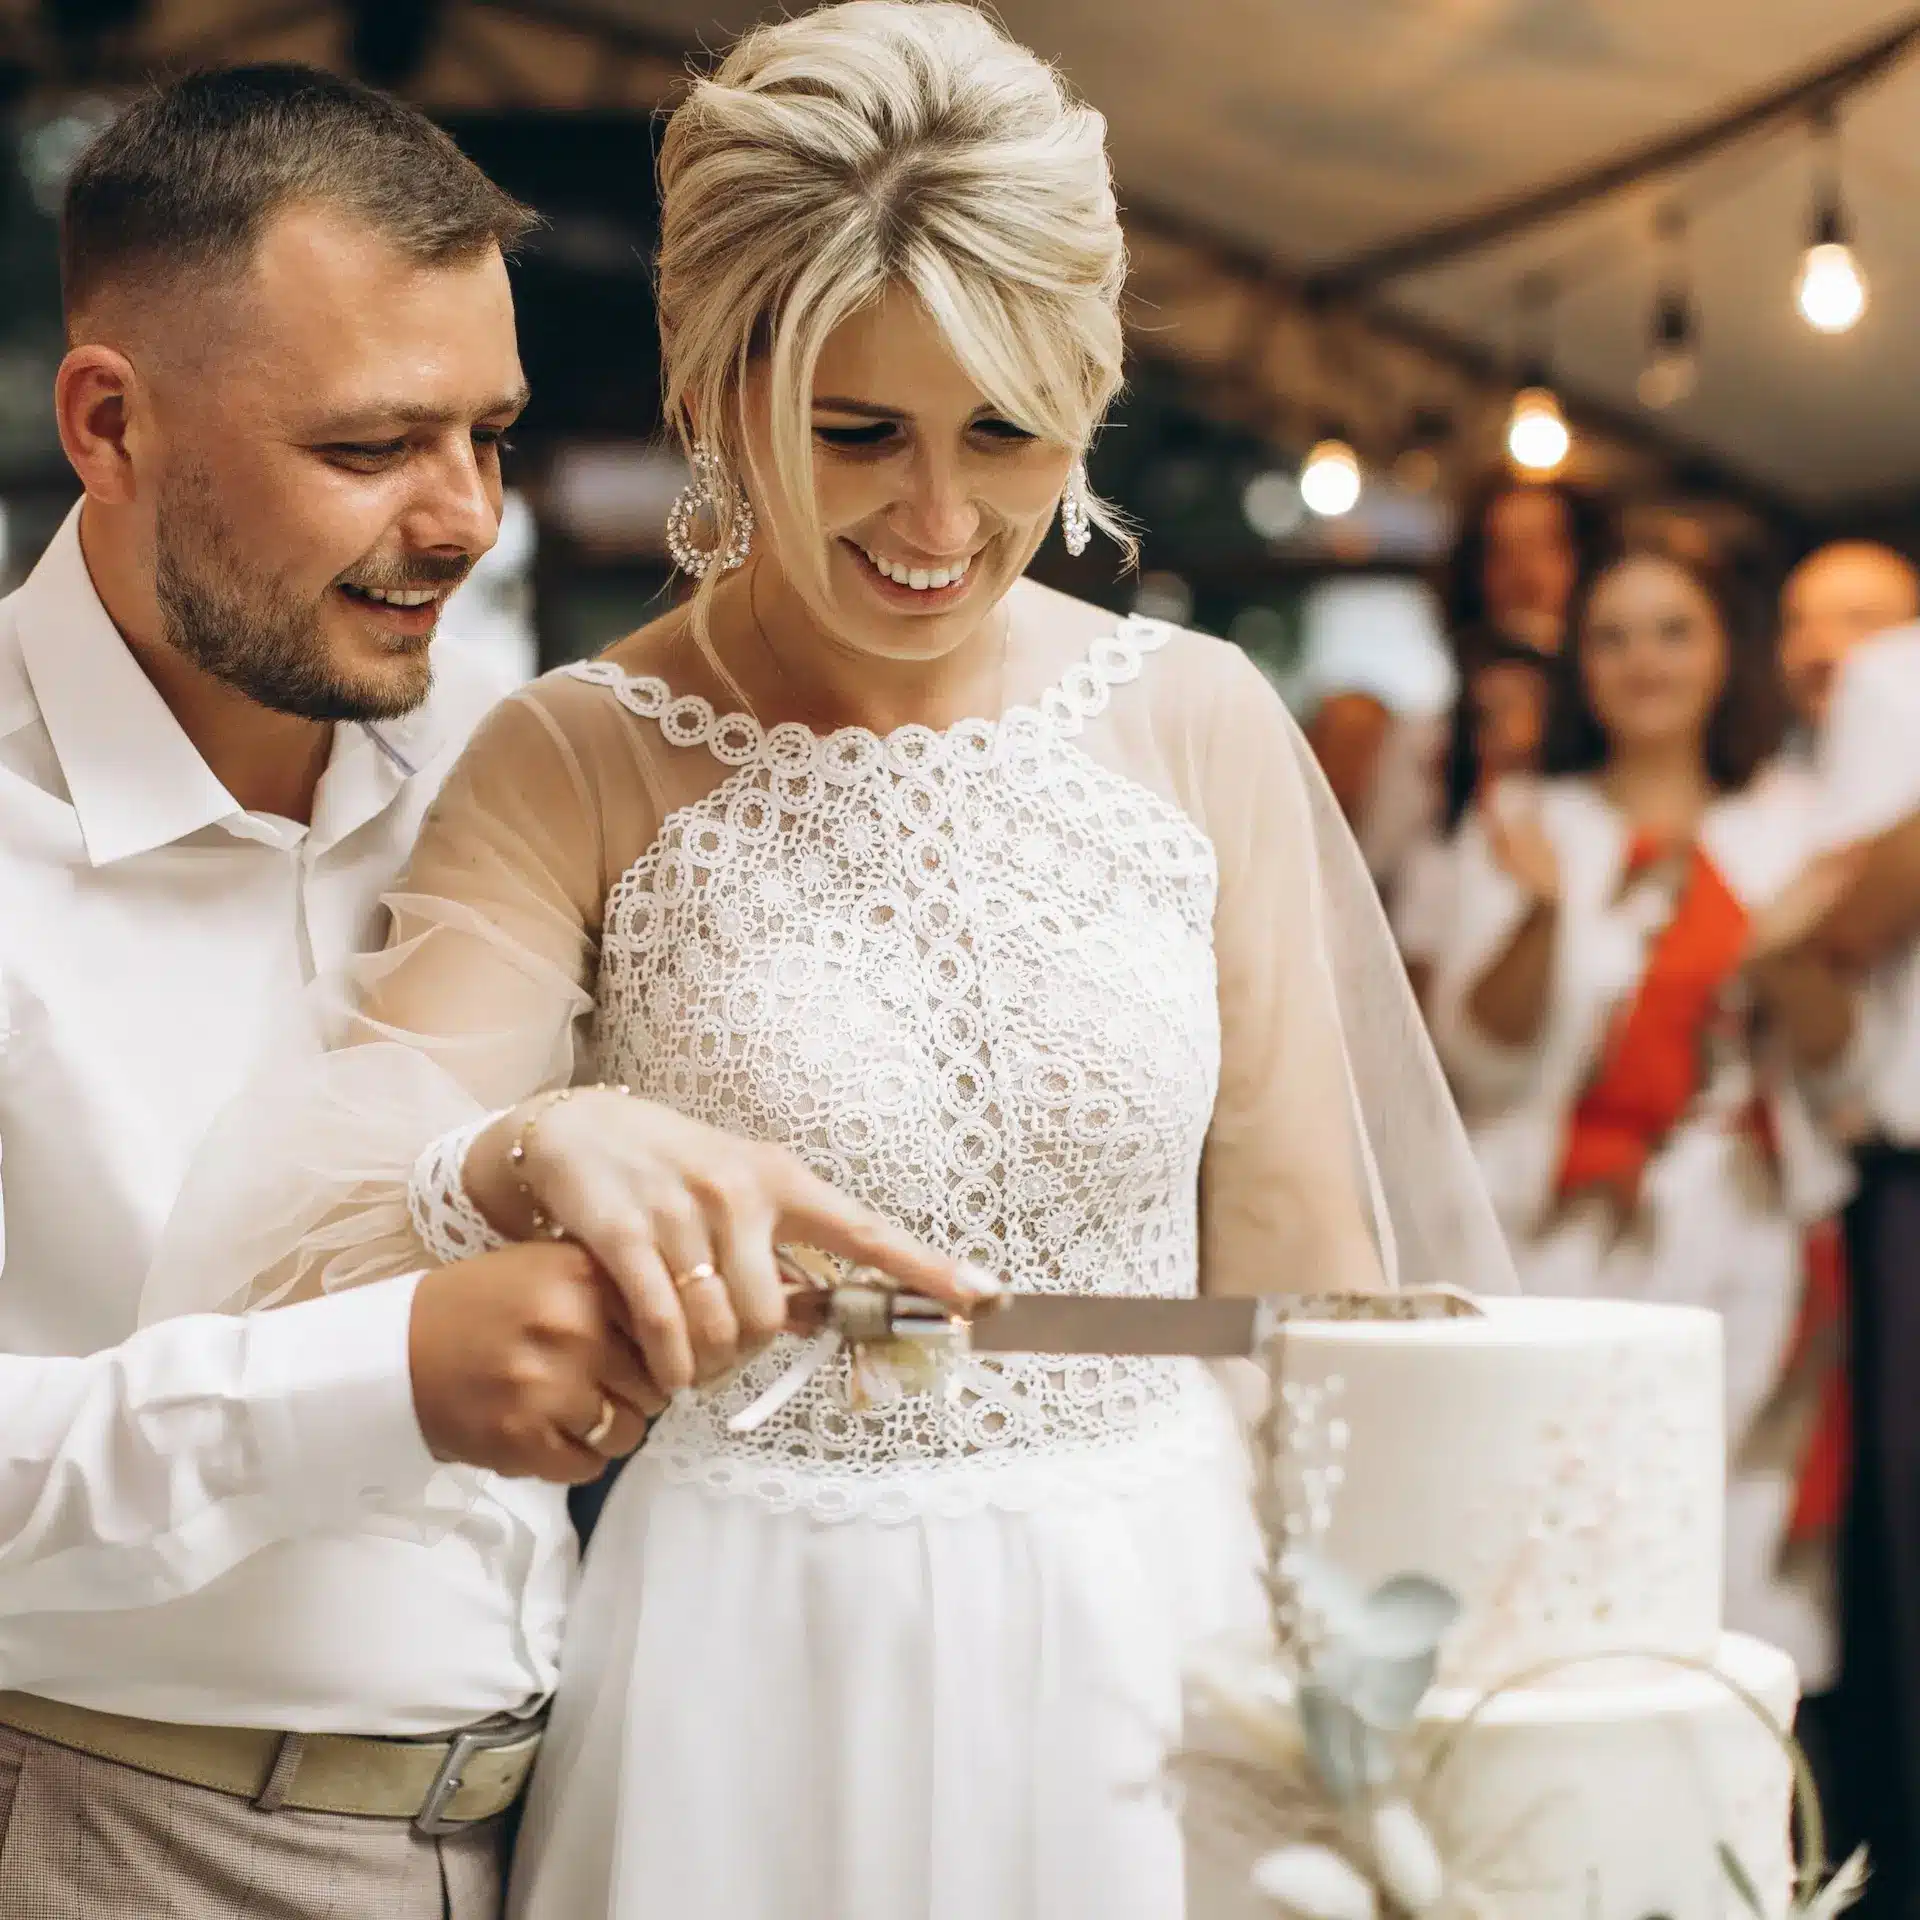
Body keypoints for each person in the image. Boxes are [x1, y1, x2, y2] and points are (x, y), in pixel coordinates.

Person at [144, 9, 1517, 1918]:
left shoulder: (1198, 720)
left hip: (1161, 1611)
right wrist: (534, 1154)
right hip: (754, 1643)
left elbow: (1308, 1275)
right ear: (722, 392)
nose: (940, 523)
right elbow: (299, 1224)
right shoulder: (576, 753)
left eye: (1006, 434)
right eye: (858, 433)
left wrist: (1385, 1706)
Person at [0, 65, 965, 1917]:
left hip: (580, 1830)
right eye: (370, 449)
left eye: (491, 438)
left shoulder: (501, 768)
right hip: (112, 1844)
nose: (463, 523)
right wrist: (397, 1375)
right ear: (110, 425)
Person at [1429, 540, 1845, 1683]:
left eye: (1674, 630)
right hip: (1554, 1233)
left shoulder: (1789, 825)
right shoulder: (1527, 820)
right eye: (1612, 635)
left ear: (1724, 654)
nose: (1642, 660)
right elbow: (1476, 1051)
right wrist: (1541, 918)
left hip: (1740, 1233)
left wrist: (1783, 958)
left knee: (1722, 1535)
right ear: (1581, 666)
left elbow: (1838, 1060)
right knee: (1551, 1524)